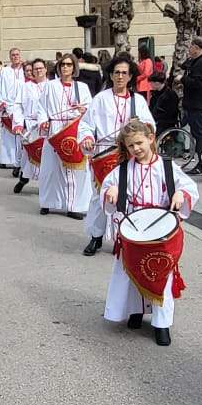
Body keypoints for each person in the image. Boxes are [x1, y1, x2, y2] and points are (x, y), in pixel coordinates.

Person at [99, 119, 197, 346]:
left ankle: (162, 324)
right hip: (133, 226)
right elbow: (107, 188)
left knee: (161, 274)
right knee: (131, 270)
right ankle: (135, 310)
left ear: (151, 139)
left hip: (161, 226)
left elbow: (189, 187)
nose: (136, 149)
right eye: (131, 146)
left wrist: (181, 194)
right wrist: (111, 191)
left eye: (139, 143)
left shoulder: (167, 166)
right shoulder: (123, 169)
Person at [81, 55, 155, 256]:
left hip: (130, 156)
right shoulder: (100, 99)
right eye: (117, 72)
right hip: (104, 155)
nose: (120, 76)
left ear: (130, 76)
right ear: (111, 75)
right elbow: (86, 125)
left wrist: (142, 125)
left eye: (124, 73)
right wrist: (87, 137)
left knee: (129, 197)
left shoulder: (137, 101)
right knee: (101, 197)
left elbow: (150, 126)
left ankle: (126, 238)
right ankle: (96, 236)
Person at [37, 56, 94, 219]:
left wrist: (83, 109)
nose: (65, 68)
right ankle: (48, 202)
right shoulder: (50, 86)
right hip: (55, 131)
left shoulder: (82, 87)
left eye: (69, 65)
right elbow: (41, 107)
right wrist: (43, 122)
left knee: (76, 170)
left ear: (74, 67)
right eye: (62, 64)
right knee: (51, 169)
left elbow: (90, 109)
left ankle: (75, 206)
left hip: (74, 130)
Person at [13, 58, 49, 194]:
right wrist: (18, 123)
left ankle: (44, 185)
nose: (39, 70)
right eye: (36, 69)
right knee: (29, 155)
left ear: (46, 69)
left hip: (47, 127)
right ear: (32, 71)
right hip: (30, 124)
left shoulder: (52, 85)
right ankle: (24, 178)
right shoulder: (26, 86)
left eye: (41, 68)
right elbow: (18, 105)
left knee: (46, 157)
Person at [0, 49, 26, 171]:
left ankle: (18, 159)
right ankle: (6, 159)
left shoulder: (25, 70)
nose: (15, 57)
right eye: (13, 55)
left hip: (21, 106)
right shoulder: (5, 71)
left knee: (20, 134)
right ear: (10, 57)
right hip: (7, 105)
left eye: (17, 54)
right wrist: (1, 103)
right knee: (7, 134)